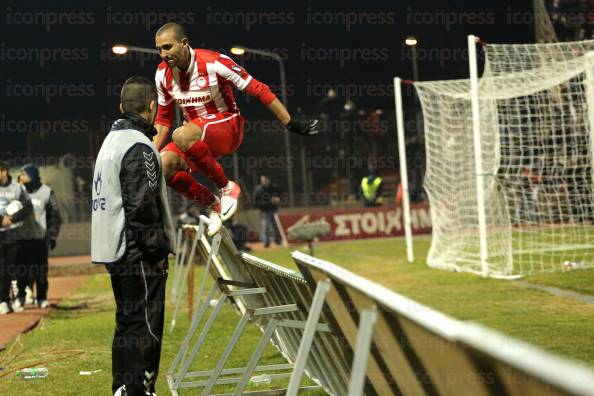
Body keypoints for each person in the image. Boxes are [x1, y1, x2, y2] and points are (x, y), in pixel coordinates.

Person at [152, 22, 319, 236]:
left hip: (228, 128)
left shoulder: (213, 62)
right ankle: (213, 204)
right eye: (159, 49)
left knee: (181, 134)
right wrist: (151, 153)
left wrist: (290, 122)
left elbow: (259, 89)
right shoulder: (161, 74)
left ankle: (226, 187)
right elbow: (163, 119)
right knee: (163, 166)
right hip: (195, 139)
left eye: (167, 47)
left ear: (184, 43)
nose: (163, 54)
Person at [91, 76, 175, 396]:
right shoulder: (138, 146)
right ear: (153, 107)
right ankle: (141, 389)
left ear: (121, 106)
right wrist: (158, 252)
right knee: (145, 325)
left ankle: (123, 388)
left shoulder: (110, 143)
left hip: (116, 249)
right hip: (138, 253)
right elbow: (142, 208)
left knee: (127, 323)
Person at [18, 164, 61, 308]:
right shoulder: (18, 191)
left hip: (39, 238)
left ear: (32, 175)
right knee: (21, 271)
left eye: (24, 175)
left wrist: (52, 235)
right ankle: (21, 298)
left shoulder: (46, 192)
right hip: (20, 238)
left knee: (40, 270)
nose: (21, 177)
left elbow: (54, 216)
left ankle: (42, 298)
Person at [0, 162, 33, 314]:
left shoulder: (17, 188)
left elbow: (28, 207)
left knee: (15, 267)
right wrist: (1, 220)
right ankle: (3, 301)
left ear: (4, 171)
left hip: (14, 233)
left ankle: (20, 297)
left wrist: (11, 219)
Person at [253, 175, 282, 247]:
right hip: (264, 210)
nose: (265, 180)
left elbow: (280, 194)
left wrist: (278, 199)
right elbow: (256, 201)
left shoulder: (273, 187)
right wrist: (270, 201)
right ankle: (266, 242)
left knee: (276, 225)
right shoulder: (258, 189)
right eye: (263, 179)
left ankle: (278, 240)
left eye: (266, 179)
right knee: (266, 226)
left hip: (273, 209)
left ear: (269, 179)